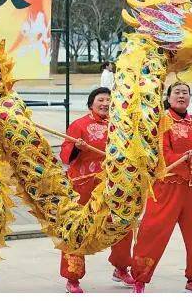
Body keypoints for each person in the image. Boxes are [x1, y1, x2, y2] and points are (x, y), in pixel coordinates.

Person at [130, 82, 192, 293]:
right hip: (167, 187)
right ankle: (140, 278)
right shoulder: (161, 122)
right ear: (168, 98)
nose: (181, 96)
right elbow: (161, 154)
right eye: (177, 92)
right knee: (152, 232)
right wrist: (181, 158)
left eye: (185, 93)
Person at [59, 87, 133, 293]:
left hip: (113, 184)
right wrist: (77, 148)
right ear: (91, 103)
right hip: (84, 186)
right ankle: (72, 277)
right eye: (100, 99)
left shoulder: (120, 126)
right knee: (77, 229)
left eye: (109, 100)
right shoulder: (79, 125)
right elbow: (65, 156)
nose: (105, 103)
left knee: (122, 223)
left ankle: (121, 267)